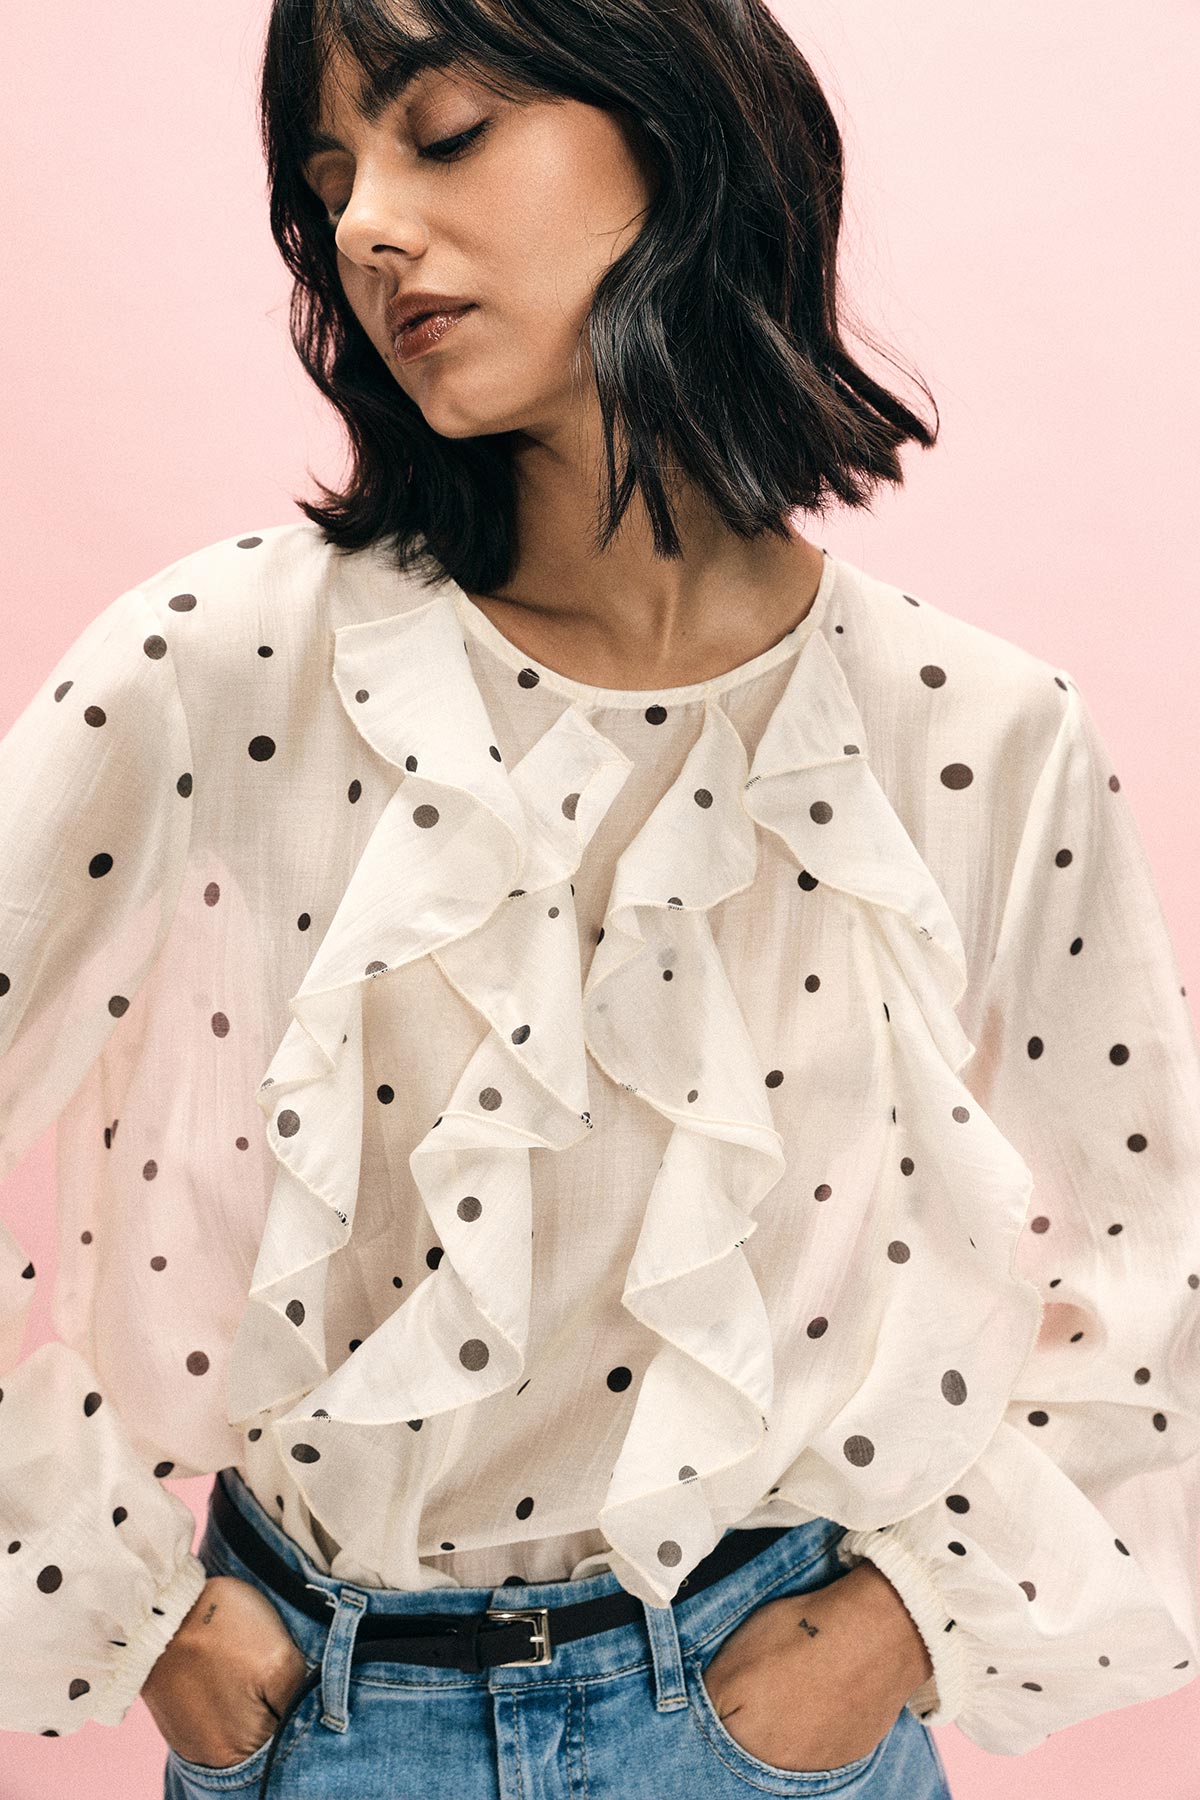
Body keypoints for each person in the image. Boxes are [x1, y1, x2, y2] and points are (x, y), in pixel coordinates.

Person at [2, 0, 1198, 1794]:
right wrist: (128, 1606)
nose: (366, 226)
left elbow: (1154, 1249)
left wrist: (896, 1628)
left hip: (773, 1727)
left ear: (679, 126)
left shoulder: (974, 731)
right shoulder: (223, 665)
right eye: (326, 179)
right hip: (328, 1728)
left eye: (444, 132)